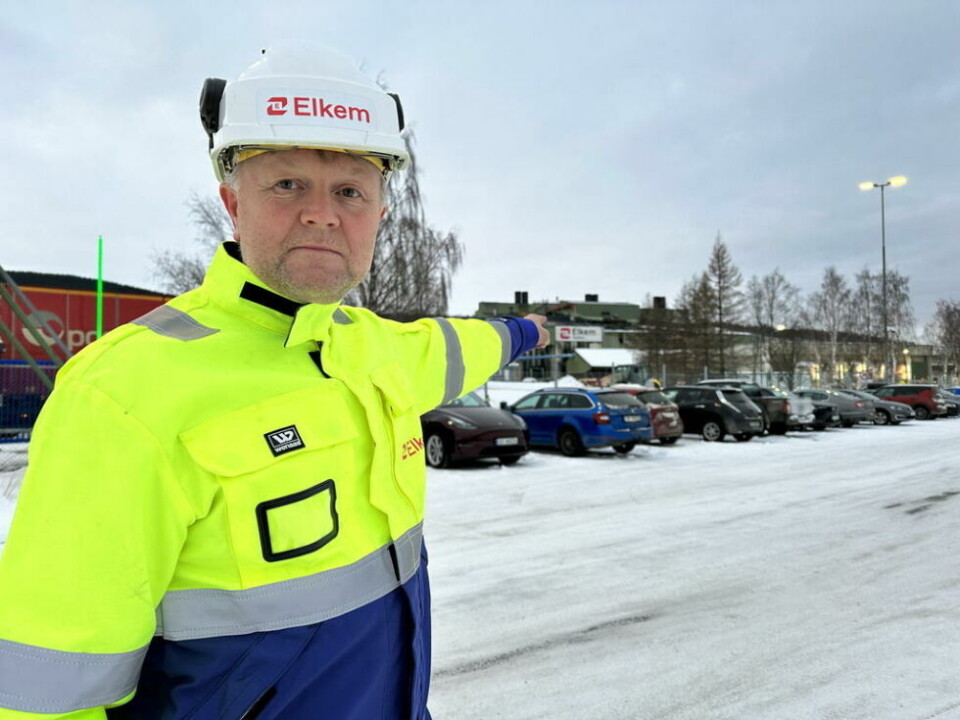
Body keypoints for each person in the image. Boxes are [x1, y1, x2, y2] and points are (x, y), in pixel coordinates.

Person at [0, 44, 548, 719]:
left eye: (350, 191)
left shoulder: (380, 349)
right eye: (288, 184)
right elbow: (46, 692)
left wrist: (529, 331)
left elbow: (468, 344)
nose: (322, 213)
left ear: (379, 215)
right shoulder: (122, 394)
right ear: (233, 202)